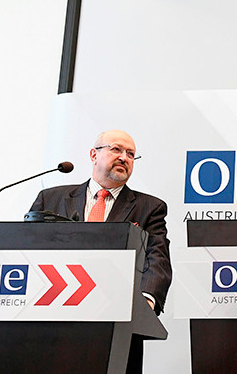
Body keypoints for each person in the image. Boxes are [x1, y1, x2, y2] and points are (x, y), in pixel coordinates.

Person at [30, 130, 171, 373]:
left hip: (117, 321)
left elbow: (157, 257)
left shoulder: (150, 208)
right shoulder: (50, 199)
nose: (124, 157)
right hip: (53, 317)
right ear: (94, 155)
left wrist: (146, 302)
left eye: (130, 154)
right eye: (116, 149)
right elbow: (29, 251)